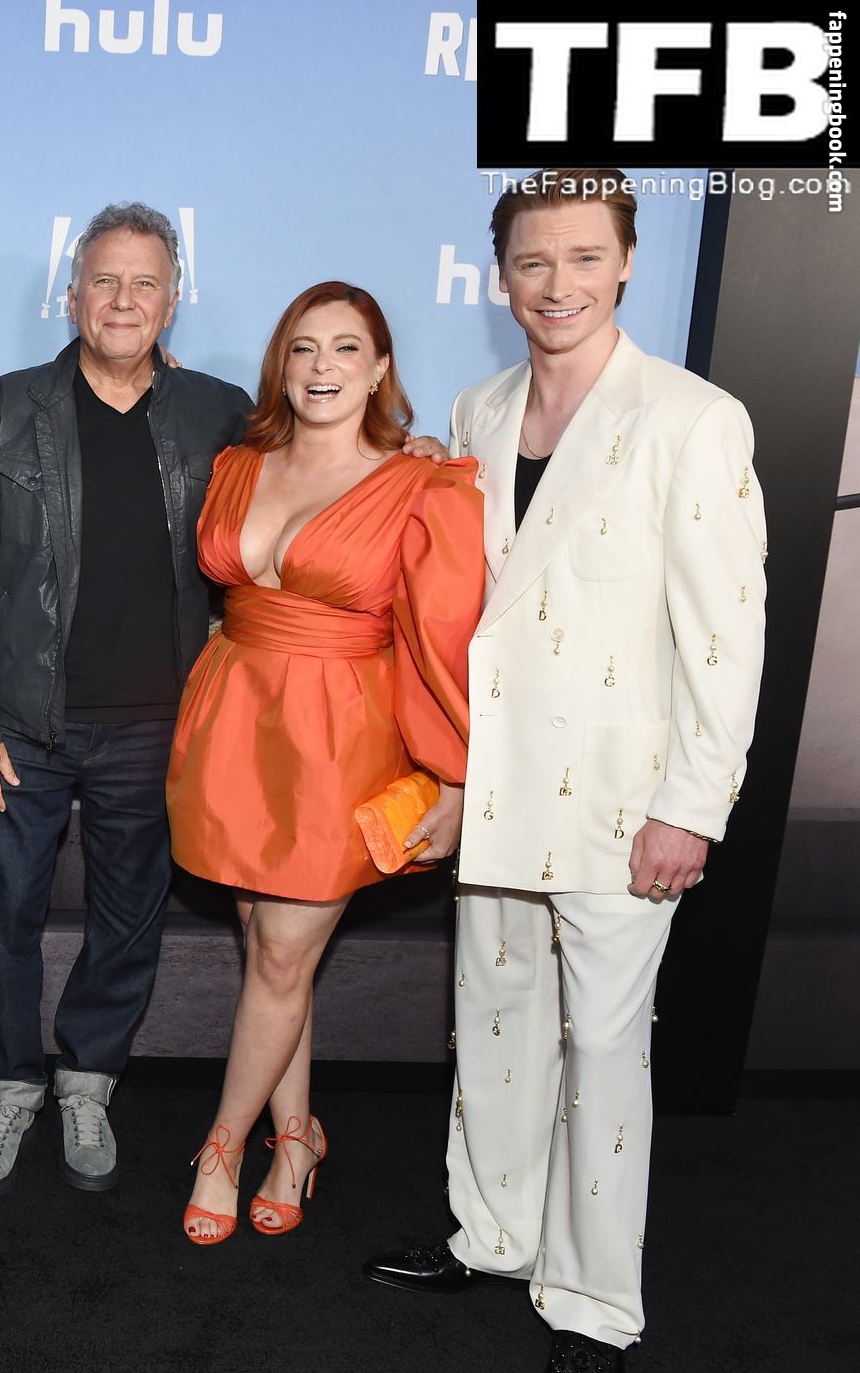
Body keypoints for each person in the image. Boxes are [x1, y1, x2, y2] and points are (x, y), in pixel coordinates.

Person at [362, 170, 767, 1373]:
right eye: (534, 261)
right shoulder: (480, 408)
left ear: (627, 264)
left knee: (602, 1053)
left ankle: (592, 1302)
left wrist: (691, 808)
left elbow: (726, 636)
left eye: (585, 258)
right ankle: (492, 1234)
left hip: (621, 801)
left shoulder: (693, 418)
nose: (558, 284)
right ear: (501, 277)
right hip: (495, 789)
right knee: (492, 1020)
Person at [0, 203, 253, 1197]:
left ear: (172, 299)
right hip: (23, 725)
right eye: (104, 280)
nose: (122, 300)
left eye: (144, 282)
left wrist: (408, 447)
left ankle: (89, 1078)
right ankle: (10, 1082)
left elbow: (308, 491)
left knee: (128, 916)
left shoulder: (220, 414)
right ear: (72, 296)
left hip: (158, 726)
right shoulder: (8, 409)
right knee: (6, 914)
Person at [168, 282, 484, 1244]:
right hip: (231, 722)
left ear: (380, 367)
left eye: (346, 348)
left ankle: (222, 1147)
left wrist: (456, 776)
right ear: (281, 364)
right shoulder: (237, 463)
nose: (322, 367)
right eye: (304, 348)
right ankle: (297, 1136)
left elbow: (443, 639)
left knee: (280, 951)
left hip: (337, 740)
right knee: (271, 949)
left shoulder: (423, 484)